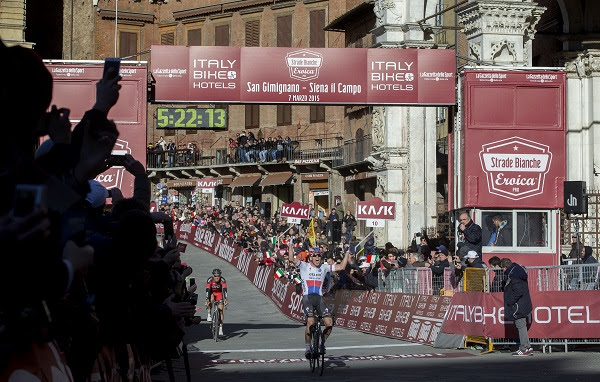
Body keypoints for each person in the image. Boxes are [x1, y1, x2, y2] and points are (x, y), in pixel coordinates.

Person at [288, 248, 350, 359]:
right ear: (311, 257)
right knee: (311, 321)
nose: (317, 258)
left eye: (319, 256)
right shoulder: (304, 266)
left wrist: (346, 253)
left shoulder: (324, 267)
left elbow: (341, 267)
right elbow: (291, 258)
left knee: (329, 323)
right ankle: (308, 348)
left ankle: (322, 344)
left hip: (319, 298)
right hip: (308, 298)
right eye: (315, 256)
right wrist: (290, 245)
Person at [501, 258, 533, 356]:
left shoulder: (513, 276)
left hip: (518, 305)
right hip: (523, 304)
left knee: (521, 326)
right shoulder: (518, 272)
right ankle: (527, 347)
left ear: (505, 267)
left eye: (502, 268)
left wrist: (510, 301)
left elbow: (518, 291)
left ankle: (524, 348)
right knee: (522, 326)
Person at [205, 268, 228, 336]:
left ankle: (220, 327)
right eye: (215, 276)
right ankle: (209, 313)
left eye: (218, 276)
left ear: (220, 276)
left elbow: (224, 290)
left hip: (219, 294)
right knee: (210, 300)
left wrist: (226, 299)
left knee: (221, 310)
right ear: (213, 275)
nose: (217, 278)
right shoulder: (210, 280)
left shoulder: (222, 280)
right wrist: (207, 299)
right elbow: (208, 290)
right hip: (212, 293)